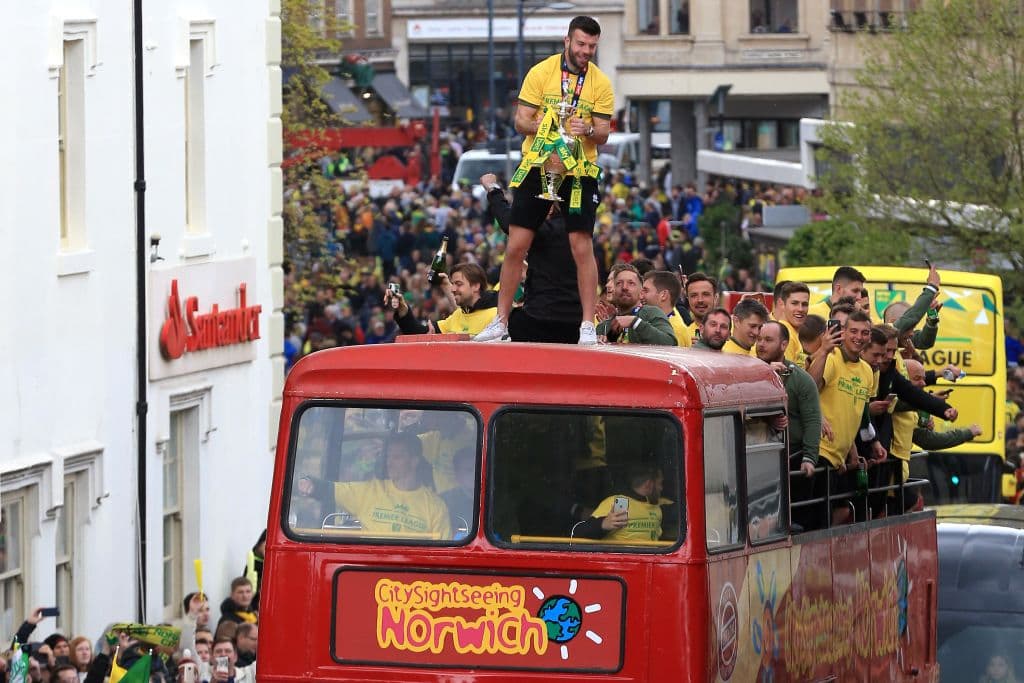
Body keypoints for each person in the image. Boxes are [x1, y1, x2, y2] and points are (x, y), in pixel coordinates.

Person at [474, 16, 614, 345]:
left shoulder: (600, 83)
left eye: (592, 46)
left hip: (579, 173)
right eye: (581, 44)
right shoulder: (541, 73)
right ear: (567, 41)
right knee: (516, 244)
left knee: (582, 246)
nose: (586, 51)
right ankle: (501, 321)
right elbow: (521, 121)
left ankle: (586, 325)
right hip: (538, 167)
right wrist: (545, 126)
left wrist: (589, 130)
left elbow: (604, 132)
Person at [482, 173, 582, 343]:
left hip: (539, 320)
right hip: (575, 323)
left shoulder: (546, 229)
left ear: (549, 206)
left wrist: (493, 189)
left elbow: (510, 223)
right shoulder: (579, 231)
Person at [297, 431, 452, 540]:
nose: (389, 462)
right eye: (388, 456)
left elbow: (444, 556)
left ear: (414, 461)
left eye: (397, 457)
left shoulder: (435, 506)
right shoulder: (370, 491)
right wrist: (310, 484)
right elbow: (329, 489)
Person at [756, 321, 821, 479]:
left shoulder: (801, 379)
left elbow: (812, 419)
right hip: (754, 456)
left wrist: (809, 457)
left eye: (768, 340)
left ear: (784, 344)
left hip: (792, 457)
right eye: (759, 339)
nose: (761, 344)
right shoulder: (748, 372)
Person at [391, 263, 497, 336]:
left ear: (475, 286)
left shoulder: (497, 316)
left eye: (459, 284)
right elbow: (420, 334)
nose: (453, 289)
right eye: (452, 284)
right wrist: (402, 309)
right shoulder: (457, 316)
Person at [573, 465, 665, 542]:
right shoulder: (619, 502)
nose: (661, 488)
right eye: (660, 483)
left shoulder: (656, 508)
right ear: (649, 484)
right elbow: (578, 534)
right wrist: (602, 524)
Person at [595, 265, 677, 345]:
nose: (624, 287)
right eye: (619, 283)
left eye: (631, 283)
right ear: (614, 291)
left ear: (641, 293)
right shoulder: (604, 326)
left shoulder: (652, 313)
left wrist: (636, 323)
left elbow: (670, 342)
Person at [641, 270, 692, 347]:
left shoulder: (675, 331)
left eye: (646, 291)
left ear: (663, 295)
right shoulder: (663, 318)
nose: (640, 296)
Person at [777, 281, 810, 363]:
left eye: (805, 304)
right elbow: (786, 374)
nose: (800, 309)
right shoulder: (785, 335)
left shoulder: (792, 333)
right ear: (781, 304)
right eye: (794, 303)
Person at [683, 272, 718, 339]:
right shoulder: (684, 335)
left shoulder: (734, 329)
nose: (700, 300)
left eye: (705, 294)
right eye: (694, 295)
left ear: (715, 298)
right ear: (688, 300)